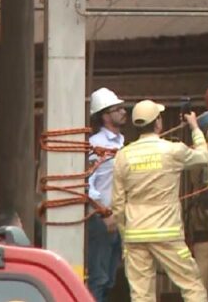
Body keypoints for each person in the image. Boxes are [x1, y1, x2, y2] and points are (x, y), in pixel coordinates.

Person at [111, 100, 208, 302]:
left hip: (135, 234)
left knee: (141, 295)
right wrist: (195, 128)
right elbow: (203, 157)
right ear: (158, 123)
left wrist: (125, 237)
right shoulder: (173, 150)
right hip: (167, 232)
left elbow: (118, 204)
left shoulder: (123, 156)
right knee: (191, 286)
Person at [86, 87, 127, 302]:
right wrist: (104, 212)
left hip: (119, 217)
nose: (123, 112)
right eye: (117, 109)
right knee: (99, 278)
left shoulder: (121, 142)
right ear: (104, 115)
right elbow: (88, 183)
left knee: (111, 278)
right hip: (102, 219)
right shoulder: (96, 145)